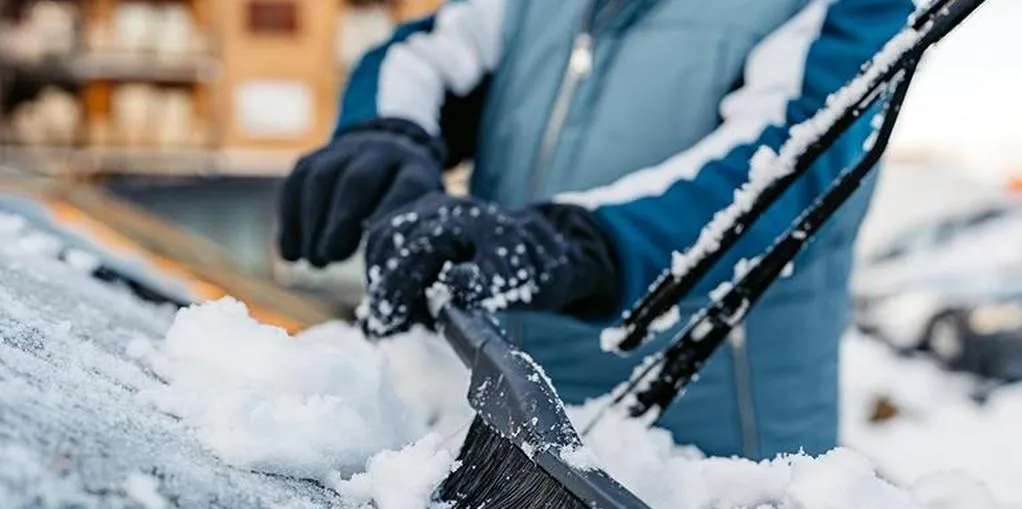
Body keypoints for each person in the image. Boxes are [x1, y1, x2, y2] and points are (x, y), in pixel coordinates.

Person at [276, 0, 913, 461]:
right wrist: (388, 133)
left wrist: (568, 242)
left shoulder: (843, 8)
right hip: (519, 454)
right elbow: (427, 53)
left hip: (722, 479)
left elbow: (780, 168)